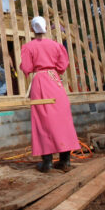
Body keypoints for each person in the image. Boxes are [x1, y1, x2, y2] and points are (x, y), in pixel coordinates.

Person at [20, 16, 81, 173]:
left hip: (40, 82)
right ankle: (65, 161)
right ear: (46, 28)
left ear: (32, 29)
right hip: (55, 81)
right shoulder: (56, 45)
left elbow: (26, 67)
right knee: (62, 119)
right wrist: (53, 70)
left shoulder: (28, 47)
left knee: (42, 121)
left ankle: (47, 163)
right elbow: (63, 65)